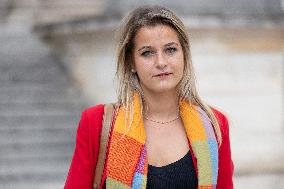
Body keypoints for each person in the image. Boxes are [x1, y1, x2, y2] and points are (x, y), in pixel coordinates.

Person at [64, 5, 234, 189]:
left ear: (184, 54)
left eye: (170, 50)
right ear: (131, 62)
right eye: (147, 53)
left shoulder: (214, 124)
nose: (161, 62)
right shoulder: (96, 122)